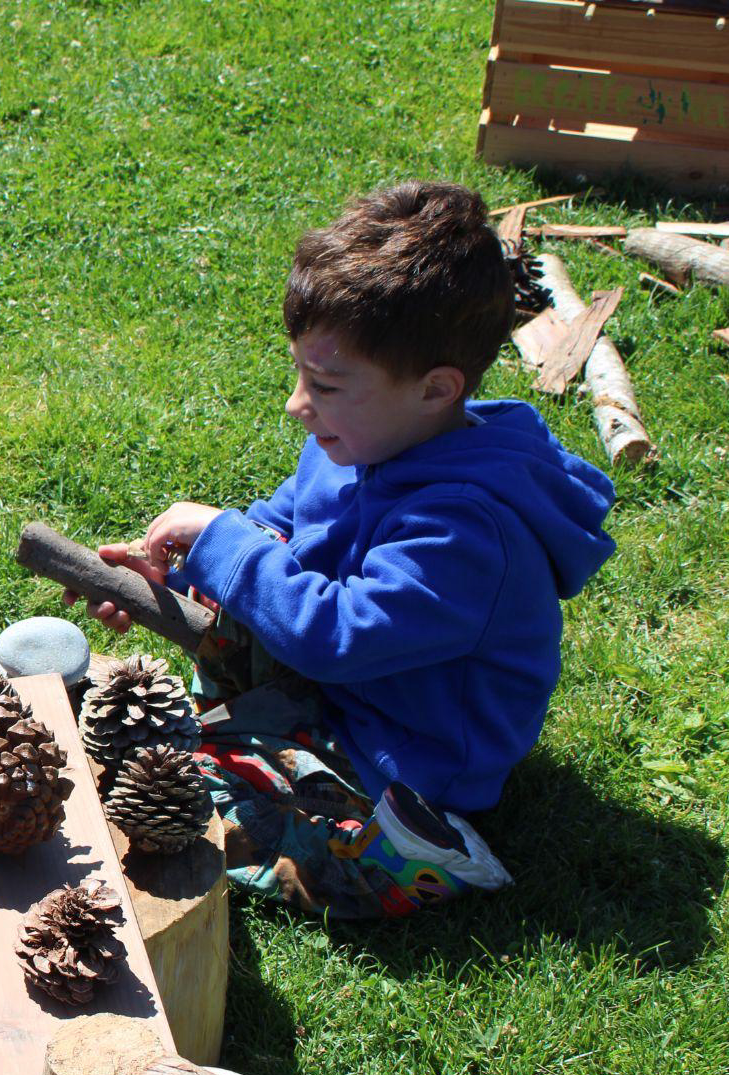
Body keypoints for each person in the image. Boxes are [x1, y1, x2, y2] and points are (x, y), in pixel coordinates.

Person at [85, 181, 616, 918]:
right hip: (352, 693)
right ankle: (256, 746)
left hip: (406, 754)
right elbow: (284, 526)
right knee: (198, 744)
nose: (297, 404)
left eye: (325, 385)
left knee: (230, 825)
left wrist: (226, 546)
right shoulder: (363, 436)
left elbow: (338, 636)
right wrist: (180, 575)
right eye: (300, 374)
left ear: (436, 390)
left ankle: (416, 858)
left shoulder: (467, 532)